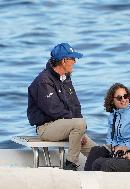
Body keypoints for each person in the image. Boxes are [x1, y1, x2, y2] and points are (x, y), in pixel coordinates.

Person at [27, 43, 96, 171]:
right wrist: (77, 125)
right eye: (73, 59)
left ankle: (106, 169)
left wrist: (80, 132)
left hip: (65, 125)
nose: (75, 62)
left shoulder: (65, 78)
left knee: (97, 151)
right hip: (46, 128)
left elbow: (75, 106)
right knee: (79, 124)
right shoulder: (43, 81)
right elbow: (54, 110)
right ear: (64, 61)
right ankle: (70, 165)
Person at [84, 83, 130, 171]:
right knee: (96, 150)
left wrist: (127, 146)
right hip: (117, 148)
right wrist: (114, 147)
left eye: (125, 96)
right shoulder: (112, 116)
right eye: (119, 98)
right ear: (112, 100)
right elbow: (110, 137)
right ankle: (86, 178)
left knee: (101, 162)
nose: (123, 100)